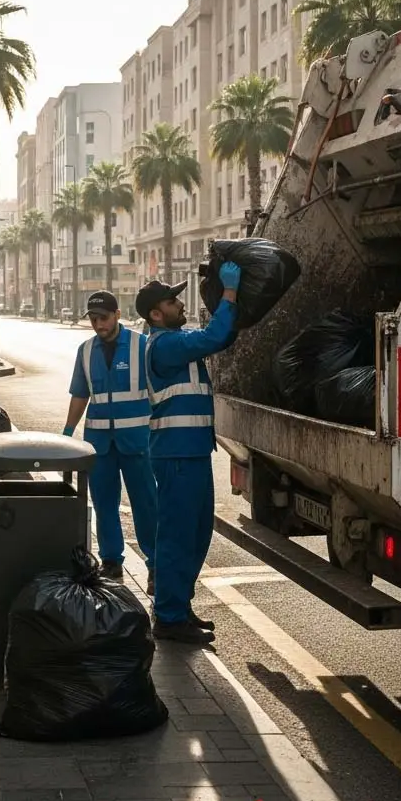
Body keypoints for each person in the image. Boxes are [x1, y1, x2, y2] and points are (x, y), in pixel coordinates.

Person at [137, 263, 240, 644]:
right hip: (176, 454)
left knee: (196, 533)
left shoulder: (176, 342)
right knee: (178, 535)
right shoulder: (164, 346)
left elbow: (219, 336)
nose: (180, 304)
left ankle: (178, 606)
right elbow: (213, 337)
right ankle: (168, 616)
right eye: (172, 300)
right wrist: (228, 293)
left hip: (191, 451)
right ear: (155, 313)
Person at [62, 290, 157, 582]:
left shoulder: (142, 346)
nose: (99, 325)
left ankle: (156, 563)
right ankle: (111, 561)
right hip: (99, 443)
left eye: (103, 318)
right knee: (104, 504)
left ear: (117, 315)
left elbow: (158, 392)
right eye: (93, 319)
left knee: (146, 503)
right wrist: (67, 433)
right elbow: (80, 394)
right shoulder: (86, 350)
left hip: (138, 442)